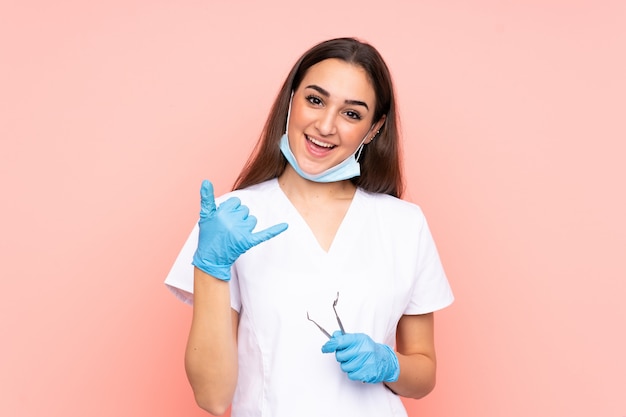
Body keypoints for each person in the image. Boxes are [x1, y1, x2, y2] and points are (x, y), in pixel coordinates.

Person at [164, 37, 454, 417]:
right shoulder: (231, 220)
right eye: (315, 100)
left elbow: (424, 374)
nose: (326, 125)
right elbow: (213, 398)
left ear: (374, 128)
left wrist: (391, 364)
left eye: (352, 114)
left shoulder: (404, 224)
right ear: (291, 100)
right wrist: (210, 267)